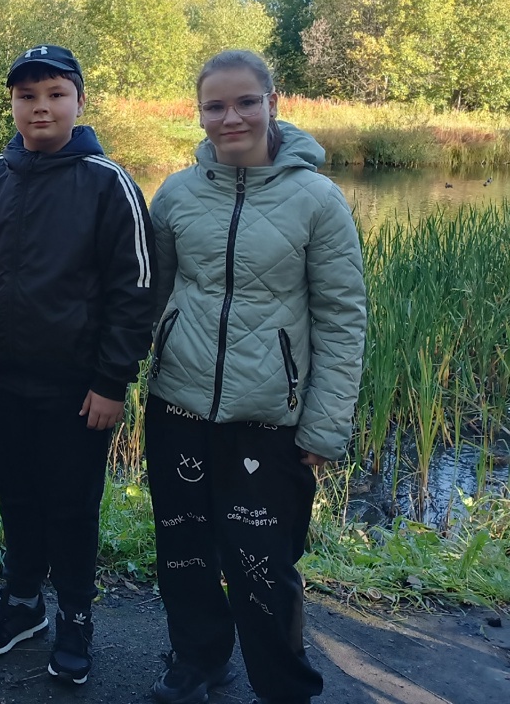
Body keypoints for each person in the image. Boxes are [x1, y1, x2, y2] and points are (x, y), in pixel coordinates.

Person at [145, 49, 367, 704]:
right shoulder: (176, 194)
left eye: (246, 102)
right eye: (215, 106)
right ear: (200, 114)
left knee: (261, 561)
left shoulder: (319, 201)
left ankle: (283, 685)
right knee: (183, 549)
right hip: (177, 405)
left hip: (269, 417)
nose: (231, 118)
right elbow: (150, 295)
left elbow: (342, 318)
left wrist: (324, 424)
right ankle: (199, 659)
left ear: (274, 102)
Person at [0, 44, 157, 686]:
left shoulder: (108, 183)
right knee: (15, 492)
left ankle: (74, 615)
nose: (41, 107)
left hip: (77, 388)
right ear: (12, 104)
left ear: (79, 102)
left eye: (56, 94)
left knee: (71, 504)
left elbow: (135, 291)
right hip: (3, 379)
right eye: (27, 96)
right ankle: (22, 603)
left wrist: (111, 380)